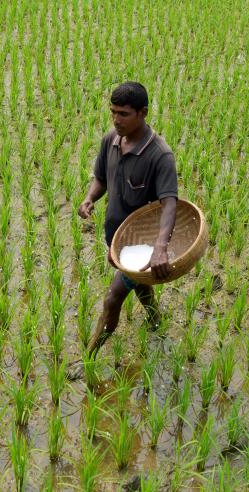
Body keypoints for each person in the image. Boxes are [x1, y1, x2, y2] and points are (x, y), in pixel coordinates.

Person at [70, 82, 178, 378]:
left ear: (142, 113)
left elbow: (170, 204)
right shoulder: (111, 140)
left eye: (124, 114)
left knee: (113, 297)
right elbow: (102, 178)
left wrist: (160, 248)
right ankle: (156, 321)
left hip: (142, 245)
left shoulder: (160, 156)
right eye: (113, 112)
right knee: (138, 285)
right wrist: (90, 198)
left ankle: (89, 357)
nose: (117, 119)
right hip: (116, 238)